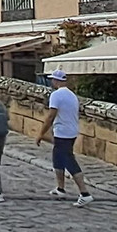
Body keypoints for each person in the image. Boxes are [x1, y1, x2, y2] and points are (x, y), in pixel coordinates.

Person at [36, 69, 94, 206]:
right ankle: (60, 188)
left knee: (68, 161)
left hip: (63, 132)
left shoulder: (56, 95)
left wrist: (41, 133)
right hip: (71, 130)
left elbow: (51, 115)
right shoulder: (72, 95)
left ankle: (85, 193)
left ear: (56, 81)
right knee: (58, 159)